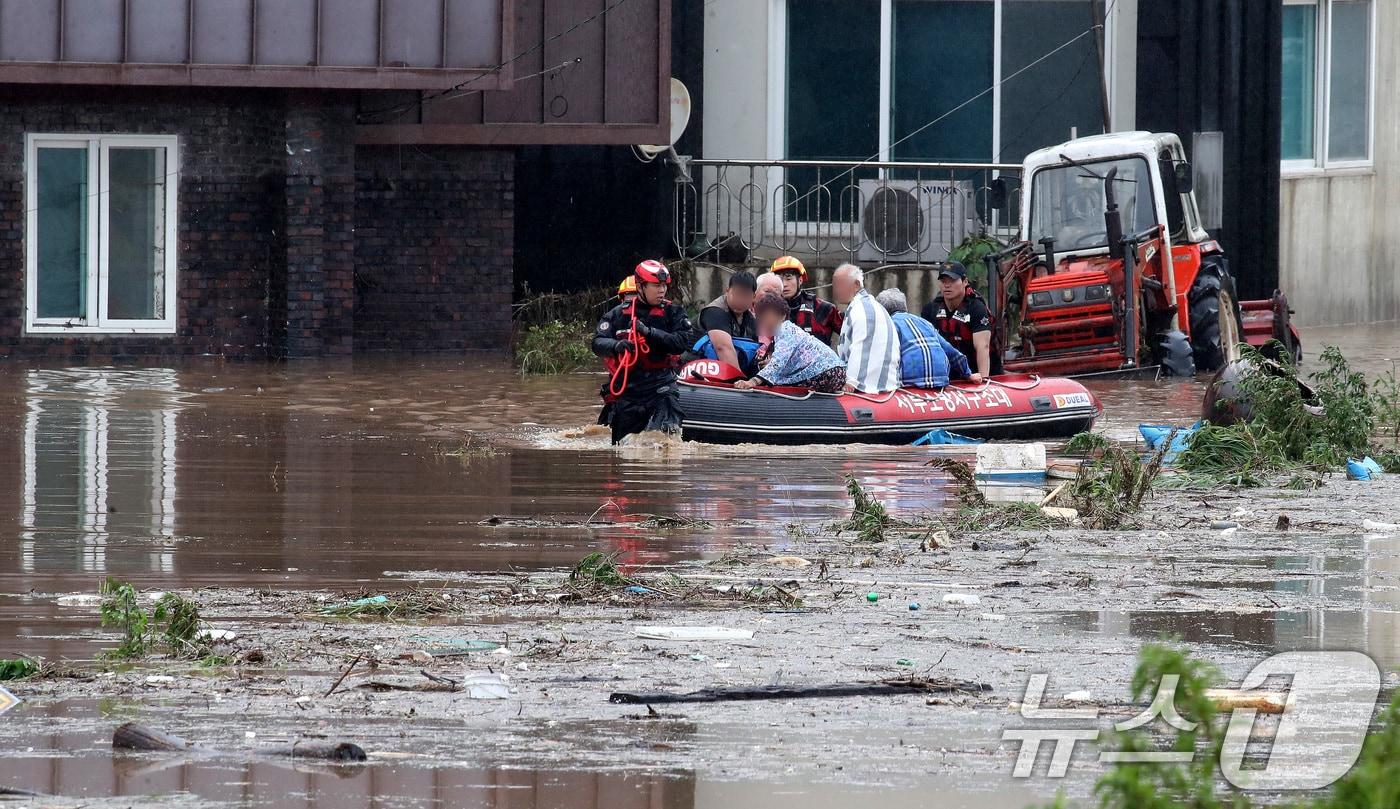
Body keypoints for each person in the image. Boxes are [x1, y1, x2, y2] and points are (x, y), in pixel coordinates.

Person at [591, 260, 695, 444]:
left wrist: (649, 332)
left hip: (661, 387)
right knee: (621, 450)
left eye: (664, 285)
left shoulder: (673, 313)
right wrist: (616, 345)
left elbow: (683, 342)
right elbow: (597, 342)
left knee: (665, 442)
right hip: (629, 390)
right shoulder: (618, 315)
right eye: (656, 285)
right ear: (640, 286)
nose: (662, 290)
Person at [733, 293, 847, 393]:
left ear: (782, 316)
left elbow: (779, 360)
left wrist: (752, 382)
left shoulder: (784, 330)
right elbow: (787, 359)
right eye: (762, 318)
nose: (765, 322)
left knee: (778, 382)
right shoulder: (788, 330)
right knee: (777, 378)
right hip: (836, 372)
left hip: (828, 372)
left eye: (768, 317)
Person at [875, 287, 982, 389]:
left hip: (910, 384)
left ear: (882, 312)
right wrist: (968, 374)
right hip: (941, 380)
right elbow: (950, 350)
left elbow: (881, 359)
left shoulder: (888, 326)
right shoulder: (924, 323)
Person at [921, 260, 1002, 378]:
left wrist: (984, 380)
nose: (947, 285)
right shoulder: (931, 309)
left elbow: (982, 346)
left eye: (953, 281)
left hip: (978, 374)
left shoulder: (976, 308)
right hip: (948, 376)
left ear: (965, 282)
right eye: (943, 281)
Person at [831, 263, 901, 394]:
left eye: (839, 284)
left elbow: (862, 347)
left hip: (869, 389)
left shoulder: (863, 309)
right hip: (880, 386)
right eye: (834, 285)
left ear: (857, 284)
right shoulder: (865, 306)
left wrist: (851, 382)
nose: (835, 289)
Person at [693, 270, 759, 371]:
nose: (740, 300)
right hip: (695, 370)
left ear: (753, 297)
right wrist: (740, 381)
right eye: (737, 294)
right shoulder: (715, 312)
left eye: (745, 296)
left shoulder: (751, 319)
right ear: (727, 291)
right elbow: (723, 348)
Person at [771, 256, 842, 346]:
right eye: (780, 279)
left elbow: (850, 333)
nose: (784, 284)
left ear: (800, 280)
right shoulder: (770, 310)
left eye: (788, 278)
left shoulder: (823, 308)